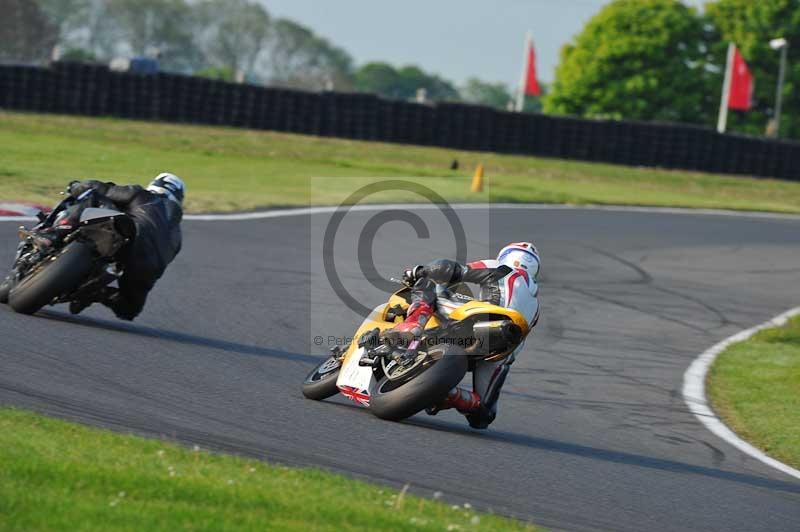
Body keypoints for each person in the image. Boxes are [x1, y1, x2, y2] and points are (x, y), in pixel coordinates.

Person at [385, 242, 541, 429]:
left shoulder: (501, 267)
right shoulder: (536, 305)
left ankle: (414, 325)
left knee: (427, 284)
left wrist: (419, 271)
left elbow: (449, 269)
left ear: (506, 256)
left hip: (479, 321)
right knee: (483, 414)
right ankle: (450, 394)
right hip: (500, 352)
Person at [65, 173, 185, 320]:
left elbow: (98, 188)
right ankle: (100, 293)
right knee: (129, 309)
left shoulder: (142, 195)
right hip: (145, 267)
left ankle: (52, 234)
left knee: (91, 194)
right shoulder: (177, 237)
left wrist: (75, 186)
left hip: (124, 234)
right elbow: (162, 265)